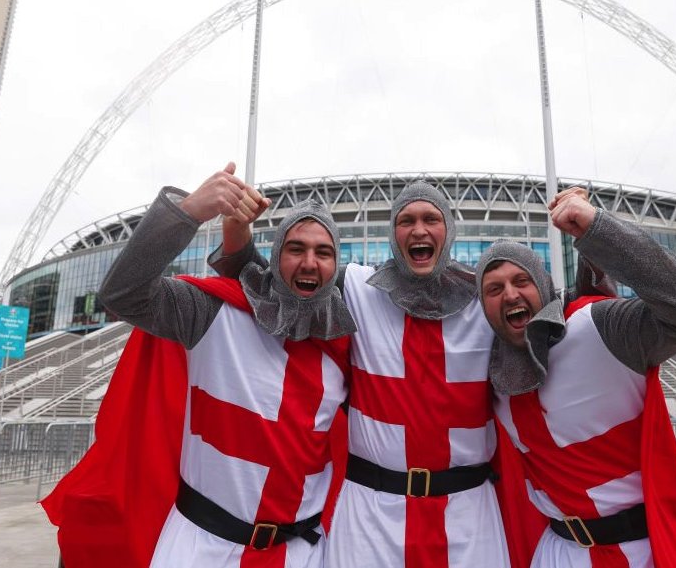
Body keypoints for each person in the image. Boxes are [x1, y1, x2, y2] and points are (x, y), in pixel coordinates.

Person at [42, 163, 356, 568]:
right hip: (201, 549)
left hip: (303, 554)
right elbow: (123, 295)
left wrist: (238, 248)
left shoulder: (345, 341)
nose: (310, 262)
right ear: (276, 259)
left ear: (336, 267)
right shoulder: (212, 313)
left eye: (323, 252)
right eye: (296, 249)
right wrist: (189, 212)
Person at [213, 180, 513, 568]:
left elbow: (556, 336)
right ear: (393, 232)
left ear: (448, 230)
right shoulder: (354, 288)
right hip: (370, 519)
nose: (419, 230)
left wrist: (591, 242)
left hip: (470, 518)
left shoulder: (487, 299)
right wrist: (236, 230)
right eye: (406, 220)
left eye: (430, 219)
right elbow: (274, 289)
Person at [473, 188, 676, 567]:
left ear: (543, 284)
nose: (509, 294)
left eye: (521, 280)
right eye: (494, 288)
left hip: (640, 551)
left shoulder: (598, 325)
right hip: (555, 552)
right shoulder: (492, 371)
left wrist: (597, 229)